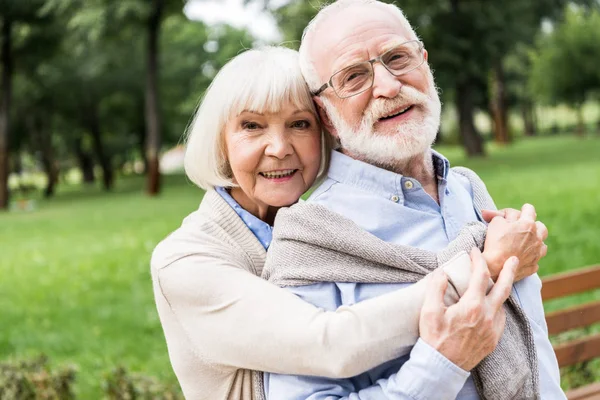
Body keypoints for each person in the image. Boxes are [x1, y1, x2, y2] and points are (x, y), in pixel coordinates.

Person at [150, 46, 537, 400]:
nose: (279, 147)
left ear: (326, 132)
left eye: (299, 124)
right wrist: (484, 266)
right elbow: (330, 343)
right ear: (221, 142)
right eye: (252, 126)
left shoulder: (322, 229)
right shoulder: (186, 261)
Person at [263, 1, 563, 399]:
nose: (388, 86)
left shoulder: (466, 189)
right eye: (353, 77)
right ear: (327, 113)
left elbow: (533, 347)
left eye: (397, 58)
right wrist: (443, 362)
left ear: (425, 63)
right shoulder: (310, 241)